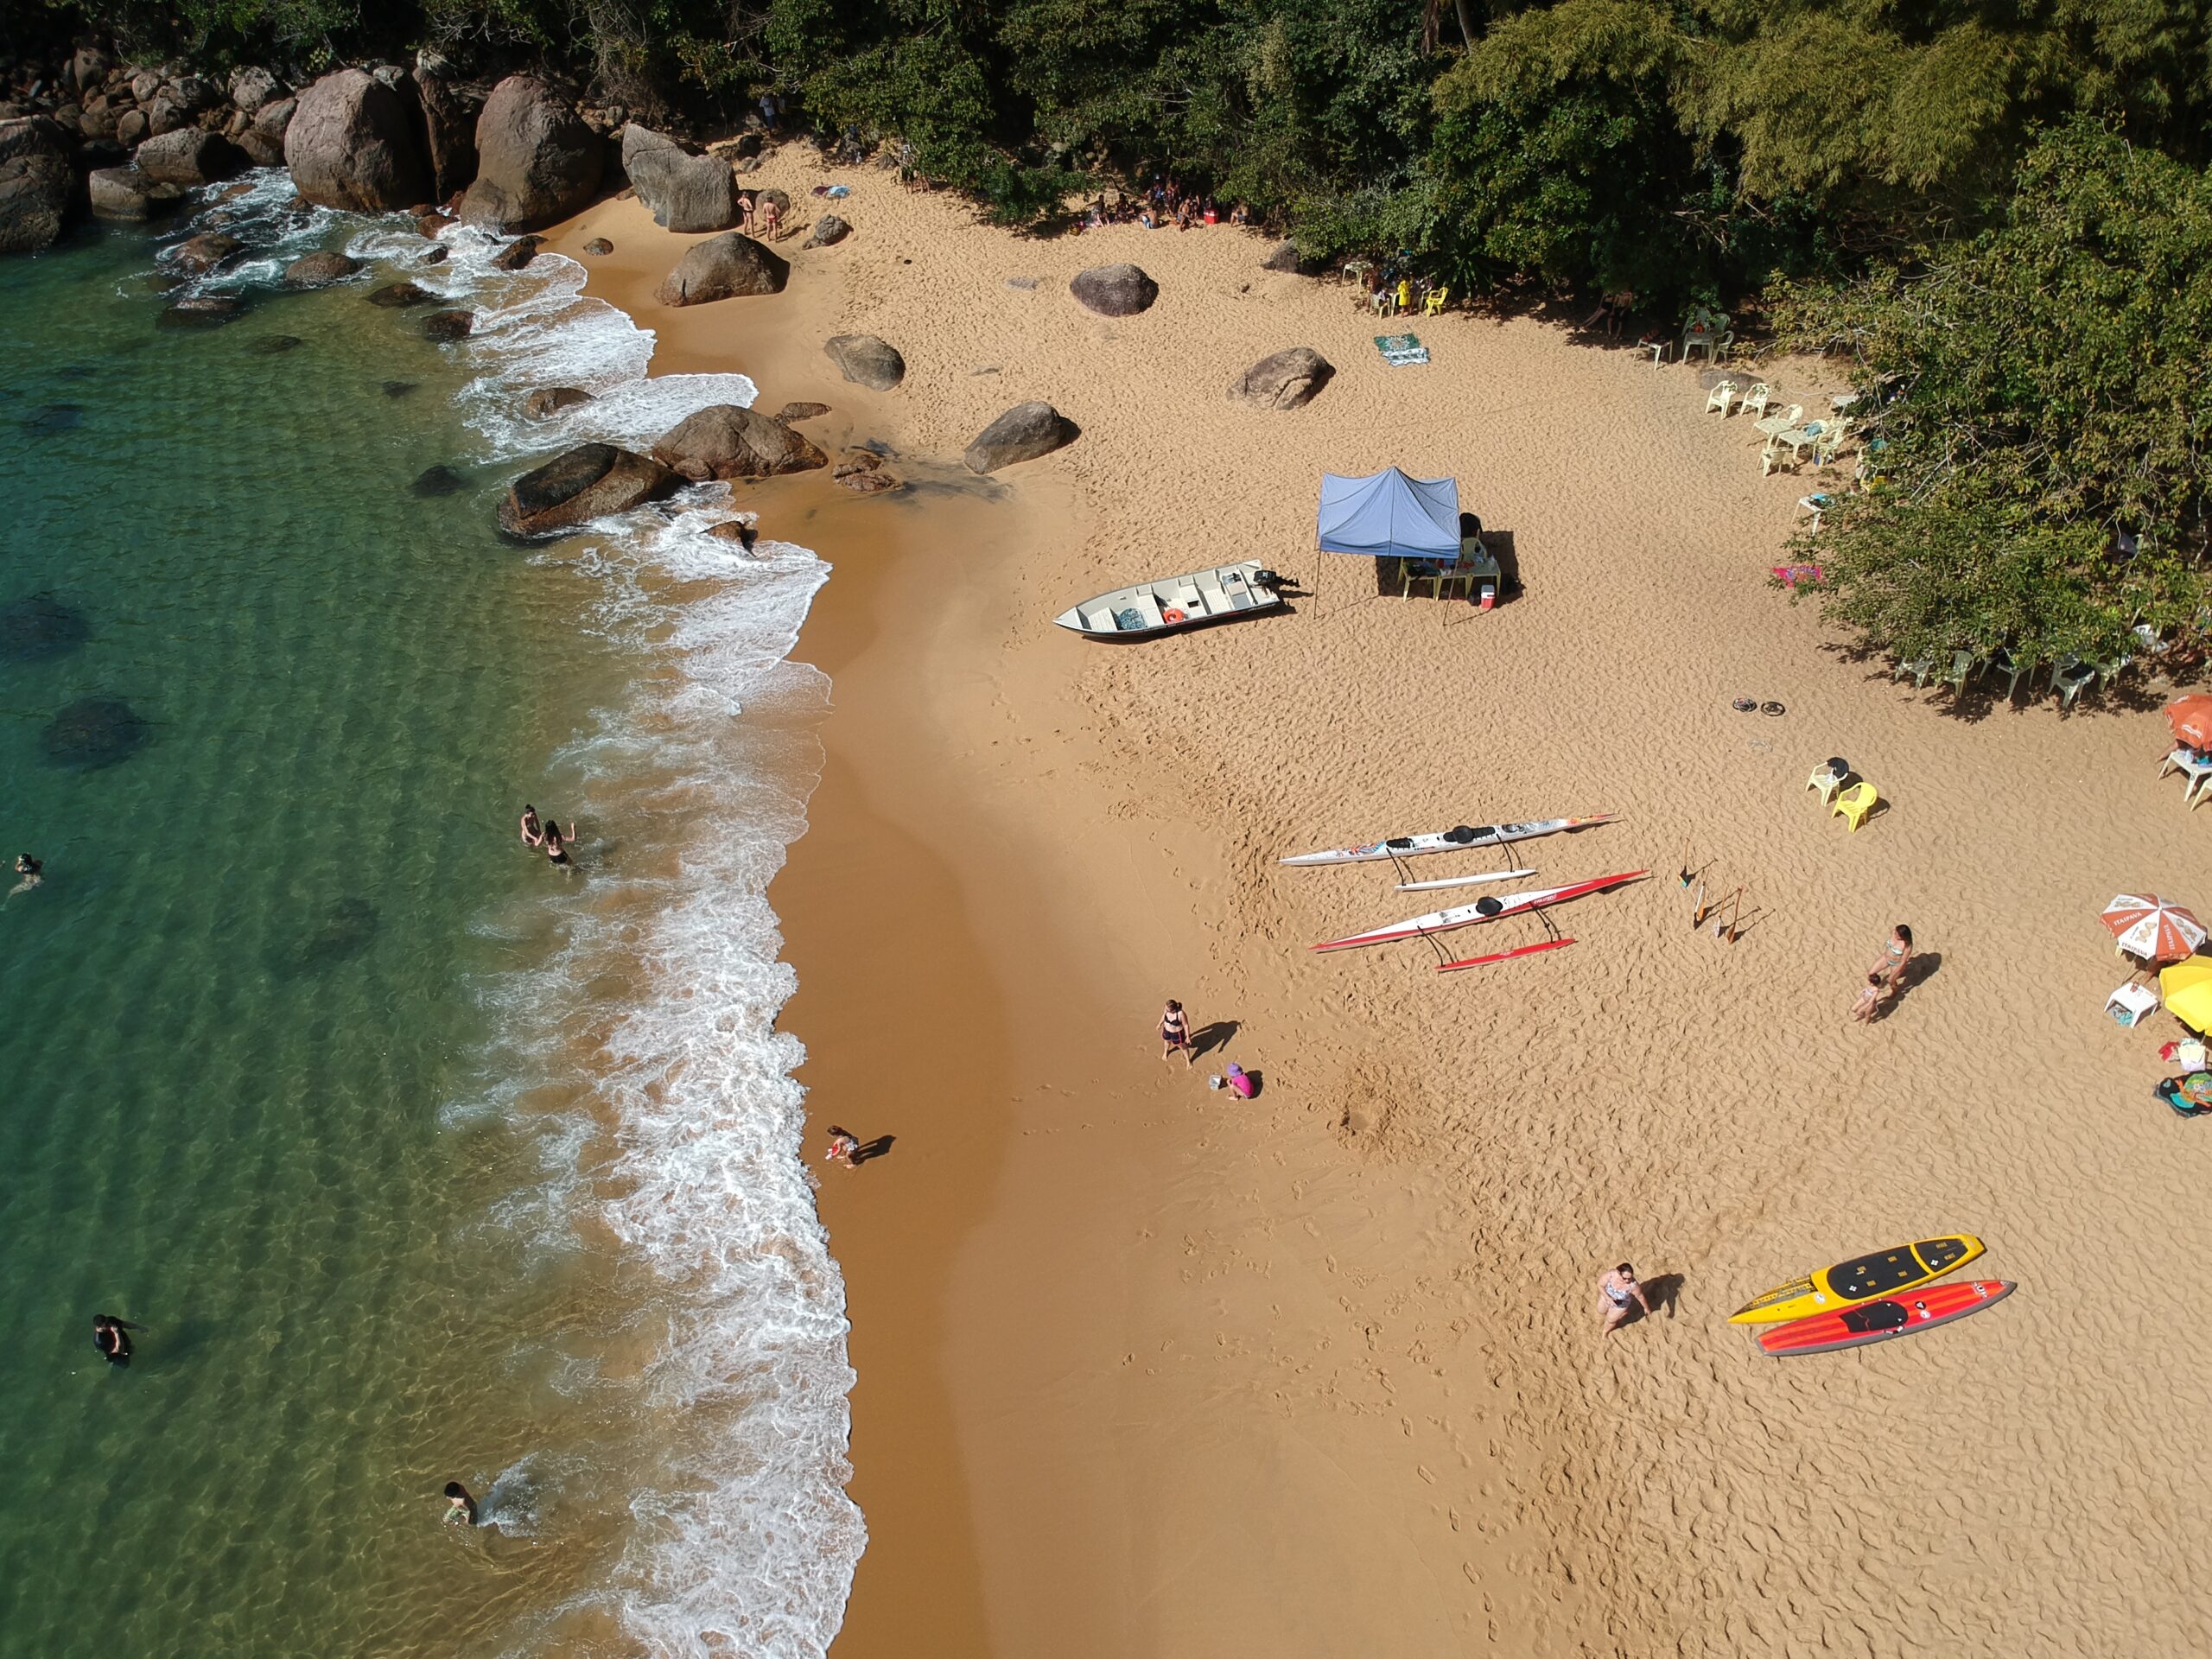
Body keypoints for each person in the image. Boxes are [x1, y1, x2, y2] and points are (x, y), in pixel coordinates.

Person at [1598, 1264, 1651, 1335]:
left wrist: (1646, 1308)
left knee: (1610, 1320)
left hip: (1620, 1304)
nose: (1627, 1281)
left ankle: (1605, 1332)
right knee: (1600, 1311)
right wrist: (1608, 1298)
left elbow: (1640, 1296)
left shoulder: (1633, 1285)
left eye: (1630, 1278)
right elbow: (1600, 1285)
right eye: (1624, 1278)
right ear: (1618, 1272)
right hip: (1606, 1298)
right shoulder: (1610, 1275)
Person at [1874, 924, 1913, 988]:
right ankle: (1877, 986)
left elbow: (1903, 962)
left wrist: (1892, 975)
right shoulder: (1895, 931)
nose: (1896, 936)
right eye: (1896, 934)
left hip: (1896, 963)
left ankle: (1894, 993)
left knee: (1891, 981)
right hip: (1886, 958)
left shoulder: (1907, 946)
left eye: (1899, 936)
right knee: (1871, 973)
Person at [1160, 999, 1193, 1066]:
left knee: (1182, 1046)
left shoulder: (1181, 1014)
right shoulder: (1166, 1010)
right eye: (1165, 1008)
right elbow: (1164, 1016)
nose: (1166, 1010)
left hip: (1177, 1034)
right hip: (1167, 1031)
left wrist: (1188, 1037)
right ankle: (1166, 1052)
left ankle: (1188, 1061)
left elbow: (1186, 1025)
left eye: (1167, 1009)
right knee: (1167, 1041)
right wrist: (1159, 1024)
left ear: (1173, 1010)